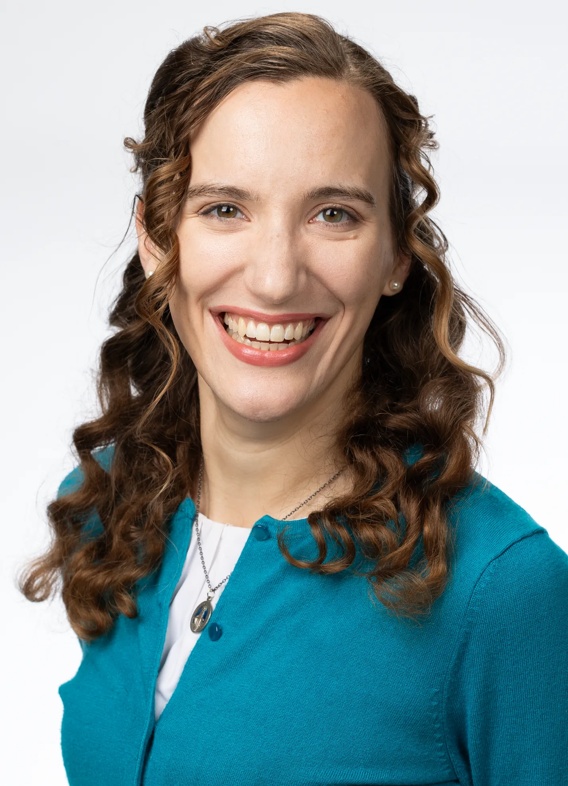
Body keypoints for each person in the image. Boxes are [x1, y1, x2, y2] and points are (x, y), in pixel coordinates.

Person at [21, 11, 568, 786]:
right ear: (156, 238)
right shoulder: (111, 503)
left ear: (396, 254)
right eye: (224, 209)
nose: (275, 278)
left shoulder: (501, 590)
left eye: (333, 214)